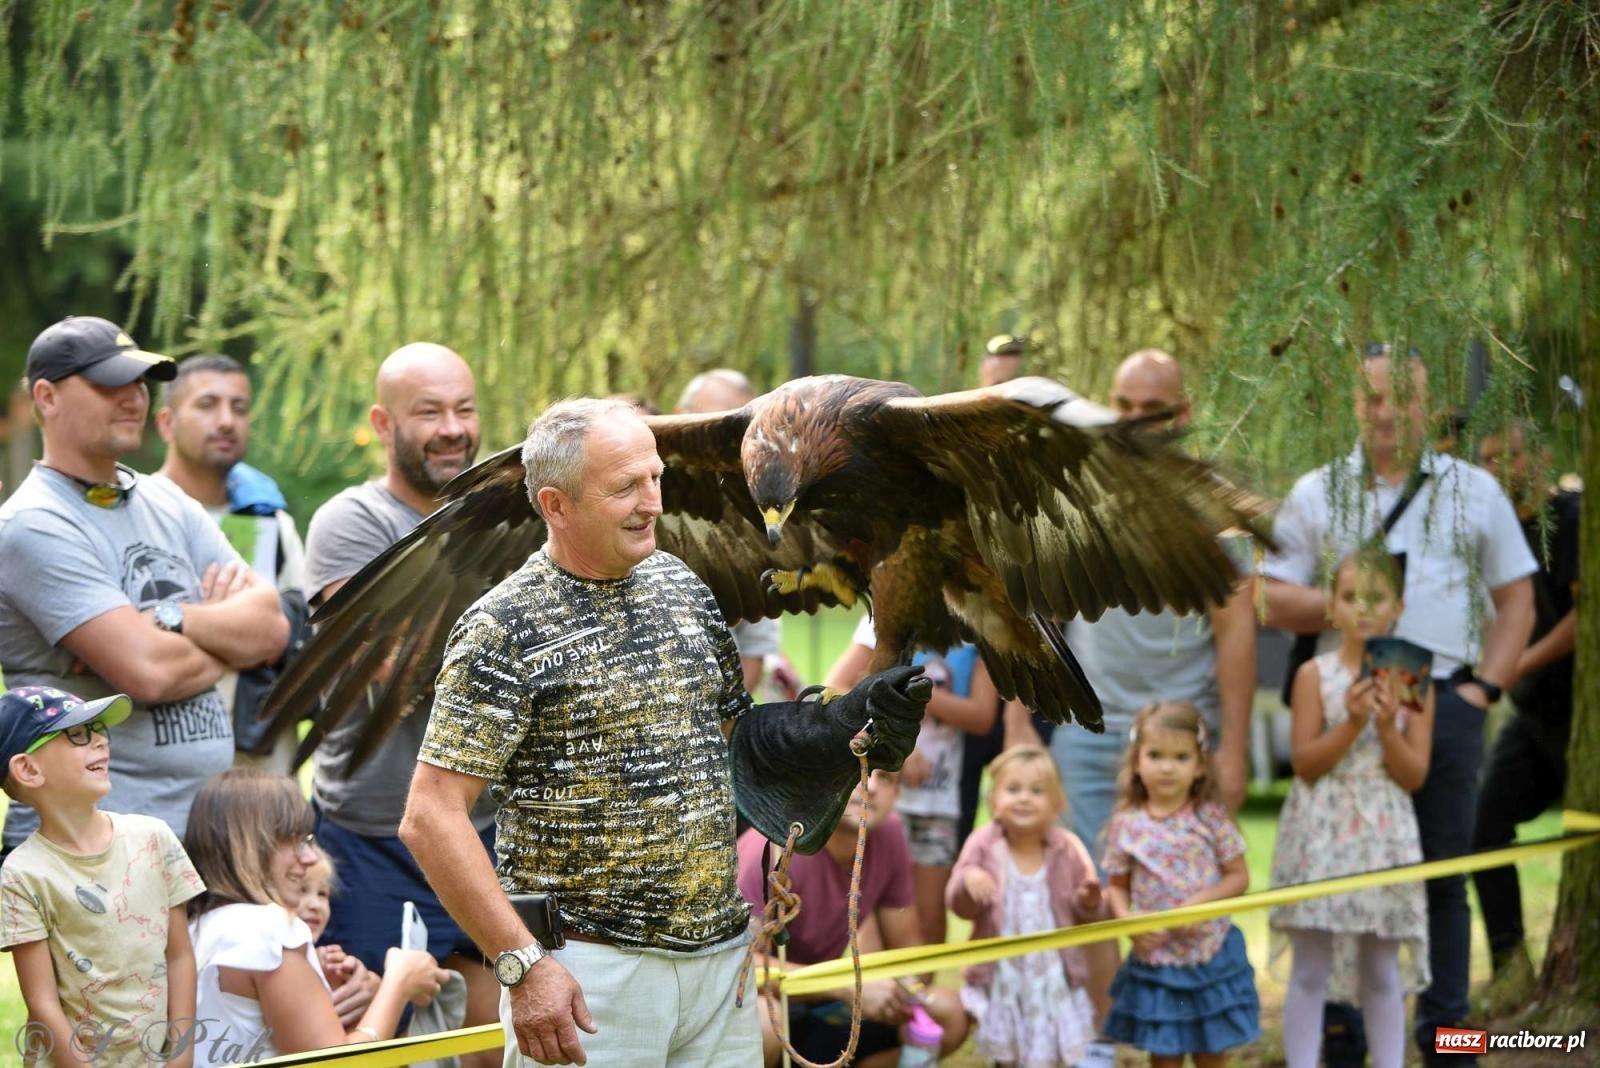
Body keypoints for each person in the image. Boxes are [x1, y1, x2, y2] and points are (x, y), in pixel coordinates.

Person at [399, 397, 927, 1067]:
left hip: (719, 967)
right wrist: (524, 965)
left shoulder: (680, 584)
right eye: (626, 487)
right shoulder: (503, 628)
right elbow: (430, 814)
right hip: (590, 977)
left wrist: (839, 725)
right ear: (556, 505)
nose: (653, 502)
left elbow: (738, 743)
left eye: (655, 478)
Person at [1262, 343, 1535, 1063]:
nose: (1387, 414)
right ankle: (1343, 1043)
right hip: (1342, 697)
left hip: (1442, 698)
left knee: (1446, 880)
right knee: (1342, 887)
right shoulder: (1318, 491)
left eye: (1403, 399)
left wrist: (1482, 691)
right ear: (1356, 402)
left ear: (1429, 403)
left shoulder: (1474, 489)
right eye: (1373, 398)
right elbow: (1268, 594)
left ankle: (1451, 1045)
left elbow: (1517, 600)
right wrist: (1351, 603)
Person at [0, 316, 289, 852]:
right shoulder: (33, 524)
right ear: (46, 397)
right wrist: (228, 645)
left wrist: (170, 621)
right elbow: (149, 673)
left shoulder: (168, 499)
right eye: (109, 384)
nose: (133, 397)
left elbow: (272, 627)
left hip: (201, 839)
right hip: (90, 854)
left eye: (138, 382)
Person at [1047, 349, 1254, 1067]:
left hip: (1182, 735)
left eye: (1153, 409)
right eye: (1123, 407)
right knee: (1092, 889)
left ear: (1183, 414)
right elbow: (1048, 607)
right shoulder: (1082, 497)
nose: (1136, 421)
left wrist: (1232, 747)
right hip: (1091, 726)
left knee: (1197, 886)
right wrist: (1021, 718)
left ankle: (1199, 1027)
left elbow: (1235, 633)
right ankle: (1106, 1036)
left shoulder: (1214, 506)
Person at [302, 341, 500, 1060]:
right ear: (384, 425)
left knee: (494, 1043)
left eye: (464, 408)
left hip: (482, 827)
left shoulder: (502, 523)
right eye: (429, 413)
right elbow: (397, 671)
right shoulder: (351, 524)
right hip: (373, 836)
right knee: (382, 1043)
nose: (452, 428)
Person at [1270, 549, 1432, 1068]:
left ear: (1398, 607)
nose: (1362, 609)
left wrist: (1386, 727)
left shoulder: (1410, 675)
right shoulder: (1313, 675)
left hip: (1384, 828)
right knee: (1311, 966)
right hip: (1322, 826)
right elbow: (1304, 763)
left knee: (1381, 969)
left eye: (1375, 598)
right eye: (1349, 597)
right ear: (1332, 608)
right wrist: (1352, 724)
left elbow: (1414, 775)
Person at [184, 768, 448, 1067]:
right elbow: (338, 1064)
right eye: (293, 841)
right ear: (248, 846)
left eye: (307, 840)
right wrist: (399, 982)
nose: (309, 858)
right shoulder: (270, 929)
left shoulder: (194, 927)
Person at [0, 685, 204, 1067]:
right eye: (77, 733)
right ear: (28, 769)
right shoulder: (22, 874)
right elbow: (42, 1003)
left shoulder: (154, 838)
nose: (98, 741)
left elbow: (179, 957)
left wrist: (181, 1056)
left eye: (97, 728)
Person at [739, 770, 968, 1068]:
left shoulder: (890, 834)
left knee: (947, 1011)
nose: (870, 786)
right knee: (763, 1026)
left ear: (897, 795)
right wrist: (848, 986)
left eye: (885, 778)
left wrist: (902, 988)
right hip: (770, 1005)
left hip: (828, 1000)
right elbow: (738, 968)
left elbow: (907, 949)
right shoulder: (775, 847)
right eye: (856, 772)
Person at [153, 353, 310, 773]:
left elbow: (296, 636)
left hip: (262, 775)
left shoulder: (270, 520)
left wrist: (183, 624)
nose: (226, 420)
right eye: (207, 405)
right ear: (166, 422)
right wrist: (236, 634)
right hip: (163, 769)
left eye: (239, 408)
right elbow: (127, 651)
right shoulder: (137, 516)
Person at [1470, 421, 1579, 1015]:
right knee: (1481, 829)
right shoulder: (1499, 532)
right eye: (1483, 461)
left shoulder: (1573, 518)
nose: (1495, 470)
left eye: (1504, 455)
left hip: (1578, 721)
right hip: (1532, 718)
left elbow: (1585, 616)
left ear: (1538, 455)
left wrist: (1513, 665)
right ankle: (1512, 968)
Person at [1101, 700, 1259, 1067]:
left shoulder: (1211, 819)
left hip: (1210, 954)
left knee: (1209, 1053)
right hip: (1158, 961)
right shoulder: (1127, 824)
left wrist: (1201, 903)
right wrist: (1130, 924)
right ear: (1137, 761)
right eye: (1155, 755)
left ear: (1200, 765)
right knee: (1166, 1054)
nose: (1167, 767)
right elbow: (1118, 885)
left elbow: (1240, 876)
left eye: (1181, 757)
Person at [826, 622, 997, 946]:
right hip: (879, 793)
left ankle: (918, 994)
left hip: (939, 798)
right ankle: (875, 993)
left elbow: (983, 715)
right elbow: (836, 685)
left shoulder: (976, 621)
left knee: (929, 914)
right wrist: (896, 748)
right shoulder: (886, 613)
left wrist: (907, 692)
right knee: (870, 907)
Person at [947, 746, 1101, 1068]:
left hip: (1052, 971)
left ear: (1057, 804)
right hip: (1004, 972)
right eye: (1013, 789)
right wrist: (968, 881)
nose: (1024, 798)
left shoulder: (1067, 846)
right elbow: (958, 905)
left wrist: (1088, 900)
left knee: (1058, 1041)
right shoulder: (983, 843)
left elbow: (1088, 913)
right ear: (994, 802)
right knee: (1009, 1048)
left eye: (1037, 791)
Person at [675, 368, 791, 698]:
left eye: (742, 426)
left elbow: (754, 647)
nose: (728, 439)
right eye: (718, 423)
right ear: (680, 416)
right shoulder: (642, 504)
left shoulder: (753, 515)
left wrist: (721, 728)